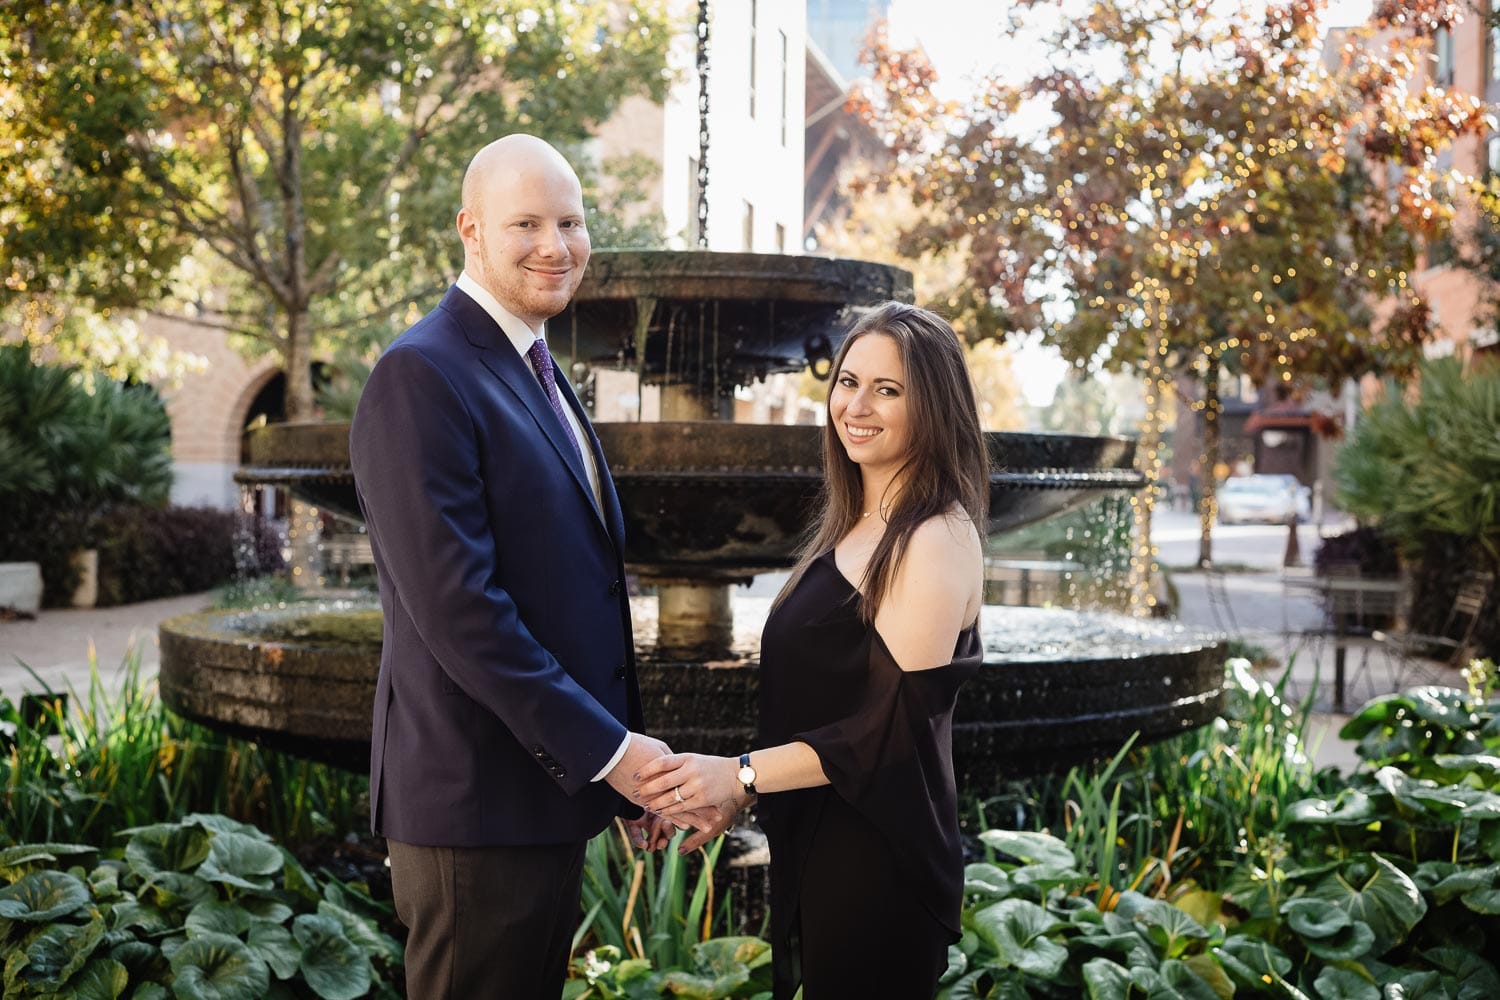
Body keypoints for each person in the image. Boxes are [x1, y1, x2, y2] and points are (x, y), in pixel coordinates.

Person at [349, 134, 674, 998]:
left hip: (537, 797)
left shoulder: (533, 362)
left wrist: (610, 776)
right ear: (471, 230)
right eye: (525, 222)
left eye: (570, 221)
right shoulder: (422, 374)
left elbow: (580, 585)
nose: (554, 245)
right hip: (473, 808)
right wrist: (612, 753)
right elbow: (463, 612)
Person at [634, 302, 990, 998]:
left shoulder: (934, 536)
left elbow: (889, 731)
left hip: (879, 861)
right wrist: (738, 793)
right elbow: (822, 705)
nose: (856, 405)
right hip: (825, 841)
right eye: (849, 381)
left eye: (888, 390)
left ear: (935, 407)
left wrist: (737, 776)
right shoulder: (856, 523)